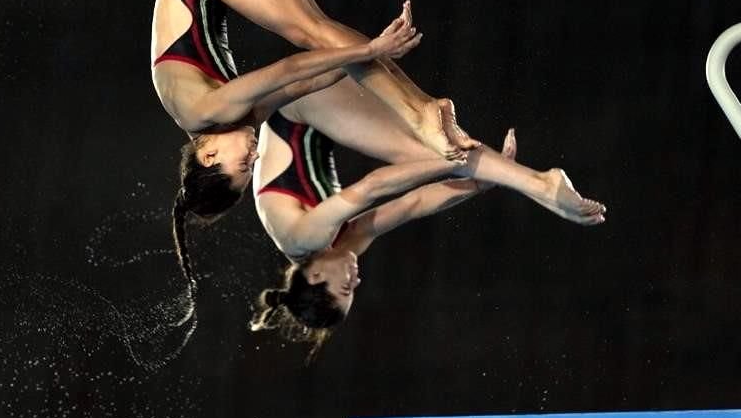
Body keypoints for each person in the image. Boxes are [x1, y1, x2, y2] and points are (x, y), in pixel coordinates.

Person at [153, 0, 479, 288]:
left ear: (207, 155)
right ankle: (424, 108)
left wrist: (369, 50)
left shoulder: (204, 112)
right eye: (252, 165)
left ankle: (422, 112)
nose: (255, 157)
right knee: (322, 34)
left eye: (243, 163)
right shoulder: (233, 121)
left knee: (308, 31)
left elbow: (289, 67)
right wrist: (362, 58)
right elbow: (309, 82)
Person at [248, 111, 605, 355]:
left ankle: (539, 183)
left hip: (297, 109)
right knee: (433, 148)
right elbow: (412, 205)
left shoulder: (302, 241)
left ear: (314, 276)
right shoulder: (339, 249)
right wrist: (479, 183)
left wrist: (453, 162)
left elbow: (375, 186)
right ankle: (528, 181)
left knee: (428, 151)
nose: (356, 281)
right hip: (320, 116)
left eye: (345, 287)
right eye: (353, 292)